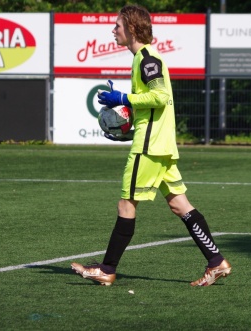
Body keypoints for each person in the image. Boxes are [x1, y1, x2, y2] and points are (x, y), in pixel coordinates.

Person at [71, 4, 231, 287]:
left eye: (117, 26)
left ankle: (107, 269)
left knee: (125, 204)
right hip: (160, 144)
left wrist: (123, 98)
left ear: (132, 28)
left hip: (150, 146)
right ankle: (217, 262)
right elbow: (155, 105)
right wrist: (128, 125)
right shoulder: (144, 59)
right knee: (180, 205)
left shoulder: (146, 59)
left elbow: (159, 96)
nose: (113, 30)